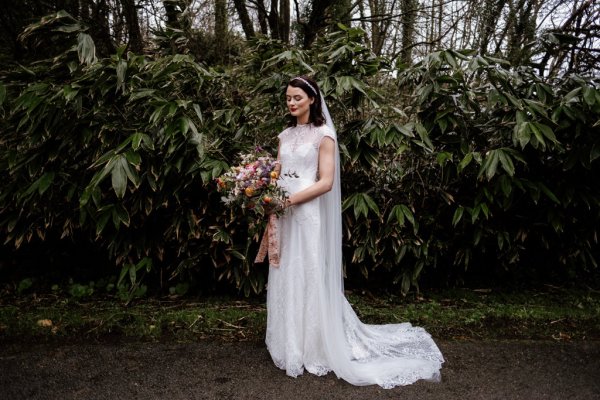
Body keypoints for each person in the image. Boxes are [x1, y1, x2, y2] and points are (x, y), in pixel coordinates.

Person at [265, 76, 444, 388]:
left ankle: (315, 345)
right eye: (288, 98)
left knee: (307, 272)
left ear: (311, 99)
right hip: (283, 213)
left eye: (297, 97)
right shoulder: (284, 135)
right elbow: (276, 172)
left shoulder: (324, 135)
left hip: (304, 212)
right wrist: (262, 190)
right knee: (286, 272)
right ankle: (287, 341)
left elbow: (326, 182)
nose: (291, 103)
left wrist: (289, 200)